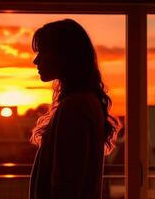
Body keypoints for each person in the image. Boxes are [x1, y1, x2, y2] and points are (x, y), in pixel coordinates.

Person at [29, 19, 122, 199]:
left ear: (64, 55)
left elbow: (66, 185)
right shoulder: (83, 101)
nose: (36, 60)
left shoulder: (75, 107)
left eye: (43, 51)